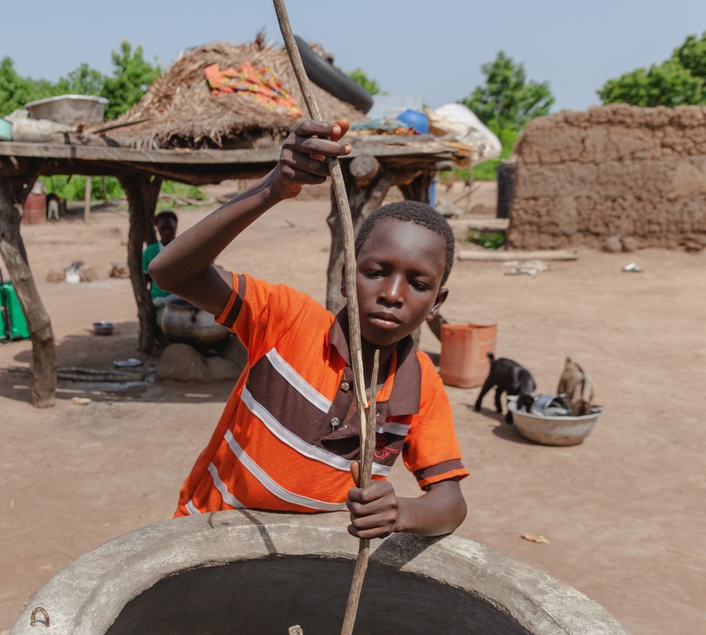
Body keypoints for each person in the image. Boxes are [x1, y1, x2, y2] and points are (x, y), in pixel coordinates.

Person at [150, 119, 468, 539]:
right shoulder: (287, 320)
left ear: (436, 304)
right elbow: (170, 273)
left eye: (419, 284)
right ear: (344, 277)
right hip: (209, 537)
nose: (392, 293)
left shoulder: (421, 385)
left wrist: (403, 512)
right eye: (375, 272)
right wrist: (273, 189)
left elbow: (451, 504)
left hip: (311, 563)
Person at [141, 210, 177, 307]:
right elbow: (145, 278)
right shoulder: (149, 252)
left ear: (176, 227)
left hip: (183, 296)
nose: (167, 232)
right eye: (163, 228)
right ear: (158, 229)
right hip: (160, 297)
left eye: (170, 228)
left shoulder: (184, 248)